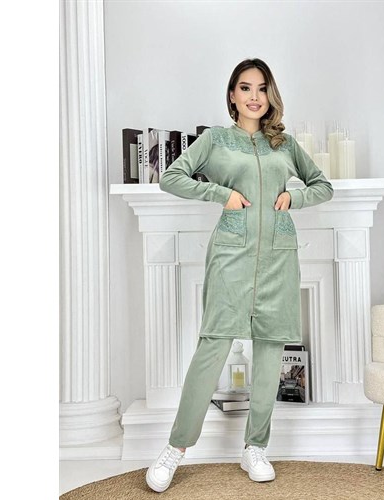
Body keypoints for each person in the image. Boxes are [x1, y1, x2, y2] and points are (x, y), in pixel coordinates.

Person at [145, 58, 334, 493]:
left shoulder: (283, 144)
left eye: (262, 88)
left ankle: (255, 448)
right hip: (231, 255)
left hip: (278, 257)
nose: (254, 96)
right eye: (245, 87)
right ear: (232, 95)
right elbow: (171, 177)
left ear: (270, 95)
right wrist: (220, 193)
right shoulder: (216, 140)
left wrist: (295, 198)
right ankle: (175, 448)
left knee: (269, 351)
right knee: (212, 347)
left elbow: (322, 185)